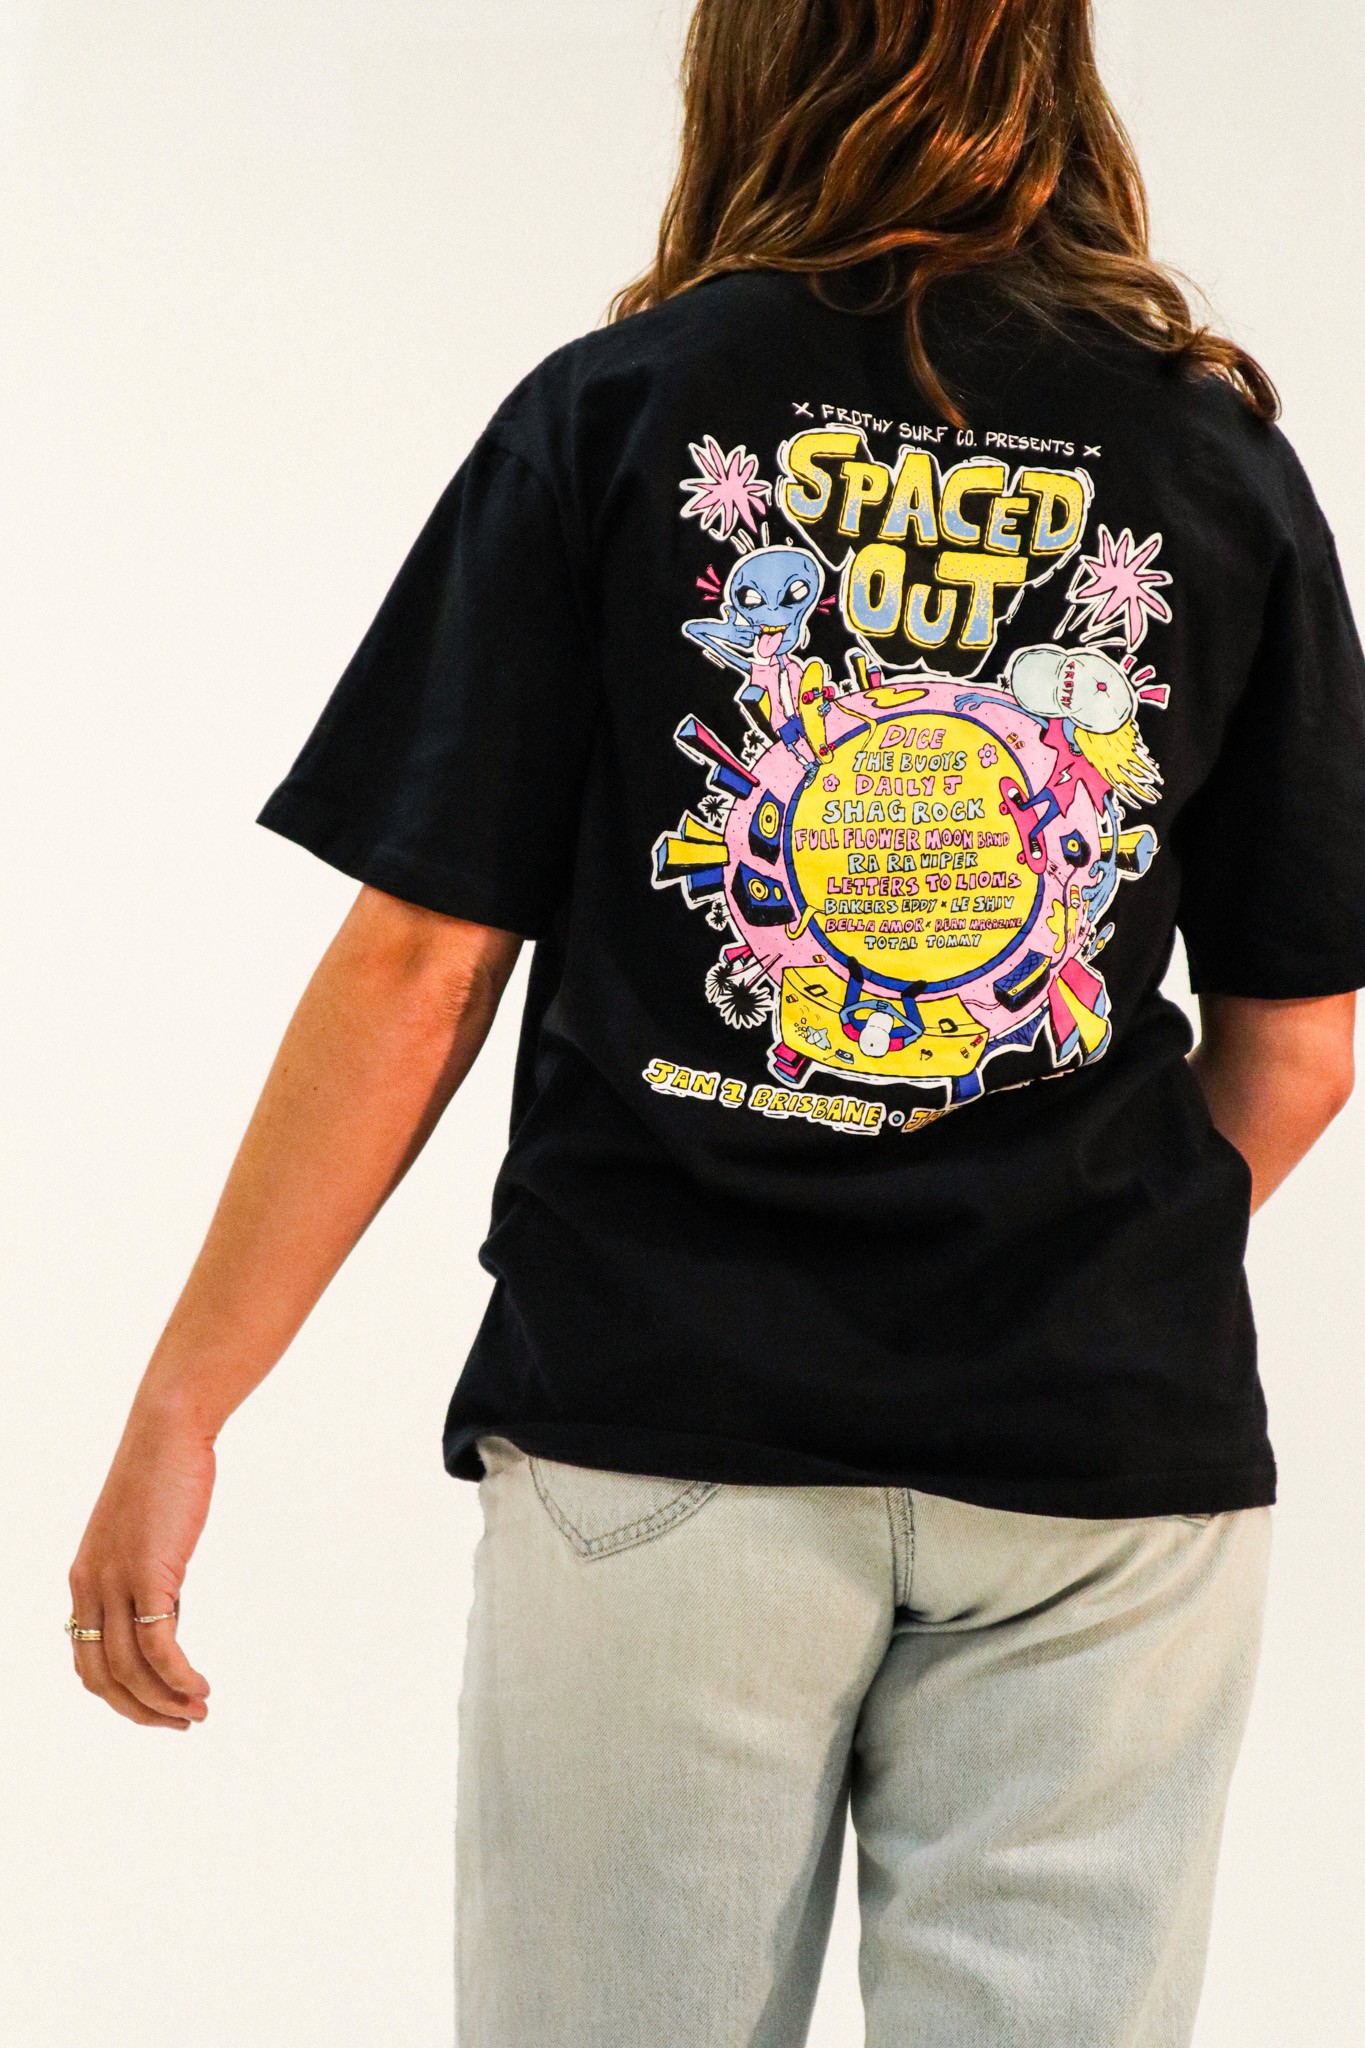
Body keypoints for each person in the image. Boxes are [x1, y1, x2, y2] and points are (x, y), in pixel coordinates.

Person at [68, 2, 1365, 2042]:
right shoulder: (1214, 459)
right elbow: (1300, 1045)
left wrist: (183, 1404)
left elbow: (417, 970)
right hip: (1106, 1468)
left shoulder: (620, 413)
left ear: (749, 60)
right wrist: (1054, 1246)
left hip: (666, 1412)